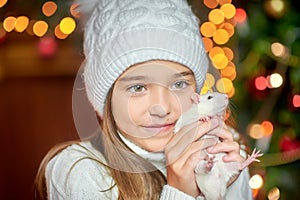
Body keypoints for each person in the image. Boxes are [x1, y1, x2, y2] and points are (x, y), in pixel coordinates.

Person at [35, 0, 253, 199]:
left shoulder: (221, 150)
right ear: (106, 99)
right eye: (138, 87)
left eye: (179, 84)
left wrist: (227, 185)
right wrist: (179, 191)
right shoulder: (79, 170)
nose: (162, 108)